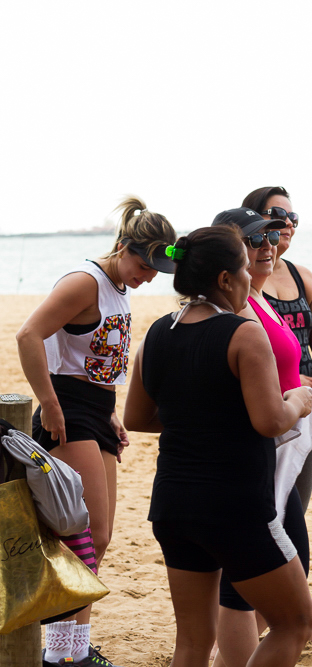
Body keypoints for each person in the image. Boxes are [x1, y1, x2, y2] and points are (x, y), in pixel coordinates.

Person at [122, 225, 312, 667]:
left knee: (192, 642)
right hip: (234, 507)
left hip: (173, 504)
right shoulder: (244, 333)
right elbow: (269, 421)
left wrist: (195, 419)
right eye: (245, 269)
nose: (251, 278)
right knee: (295, 624)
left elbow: (137, 418)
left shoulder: (158, 332)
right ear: (226, 280)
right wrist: (298, 401)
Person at [17, 196, 176, 667]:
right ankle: (63, 653)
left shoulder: (118, 286)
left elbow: (97, 358)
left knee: (99, 537)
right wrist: (48, 402)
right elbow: (28, 335)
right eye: (142, 265)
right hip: (67, 408)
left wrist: (108, 409)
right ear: (124, 245)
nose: (146, 277)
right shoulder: (85, 281)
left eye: (154, 271)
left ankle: (69, 649)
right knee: (81, 535)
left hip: (94, 410)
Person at [206, 208, 312, 666]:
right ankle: (230, 655)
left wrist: (299, 382)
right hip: (256, 452)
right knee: (244, 582)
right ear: (232, 252)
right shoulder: (236, 309)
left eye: (273, 236)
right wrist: (292, 400)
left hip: (274, 449)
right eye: (257, 241)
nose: (269, 246)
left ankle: (232, 652)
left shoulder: (260, 299)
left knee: (279, 564)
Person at [243, 186, 312, 510]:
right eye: (277, 215)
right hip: (266, 406)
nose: (287, 223)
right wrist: (286, 378)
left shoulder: (304, 278)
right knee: (266, 507)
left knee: (295, 508)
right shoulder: (242, 283)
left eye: (293, 218)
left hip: (304, 409)